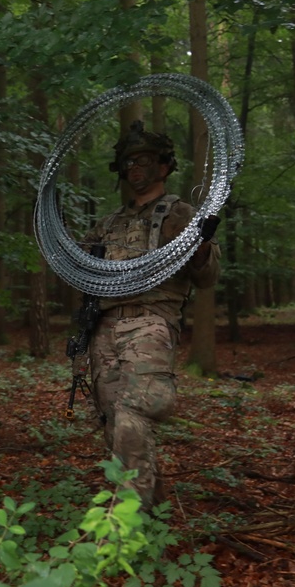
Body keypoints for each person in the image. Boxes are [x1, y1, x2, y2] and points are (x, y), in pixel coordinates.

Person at [82, 120, 220, 511]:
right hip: (106, 326)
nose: (135, 169)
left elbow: (207, 277)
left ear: (163, 167)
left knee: (135, 413)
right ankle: (154, 514)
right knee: (114, 425)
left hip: (150, 322)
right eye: (128, 163)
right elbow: (79, 272)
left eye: (144, 161)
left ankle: (124, 523)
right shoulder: (109, 223)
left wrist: (200, 247)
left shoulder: (181, 215)